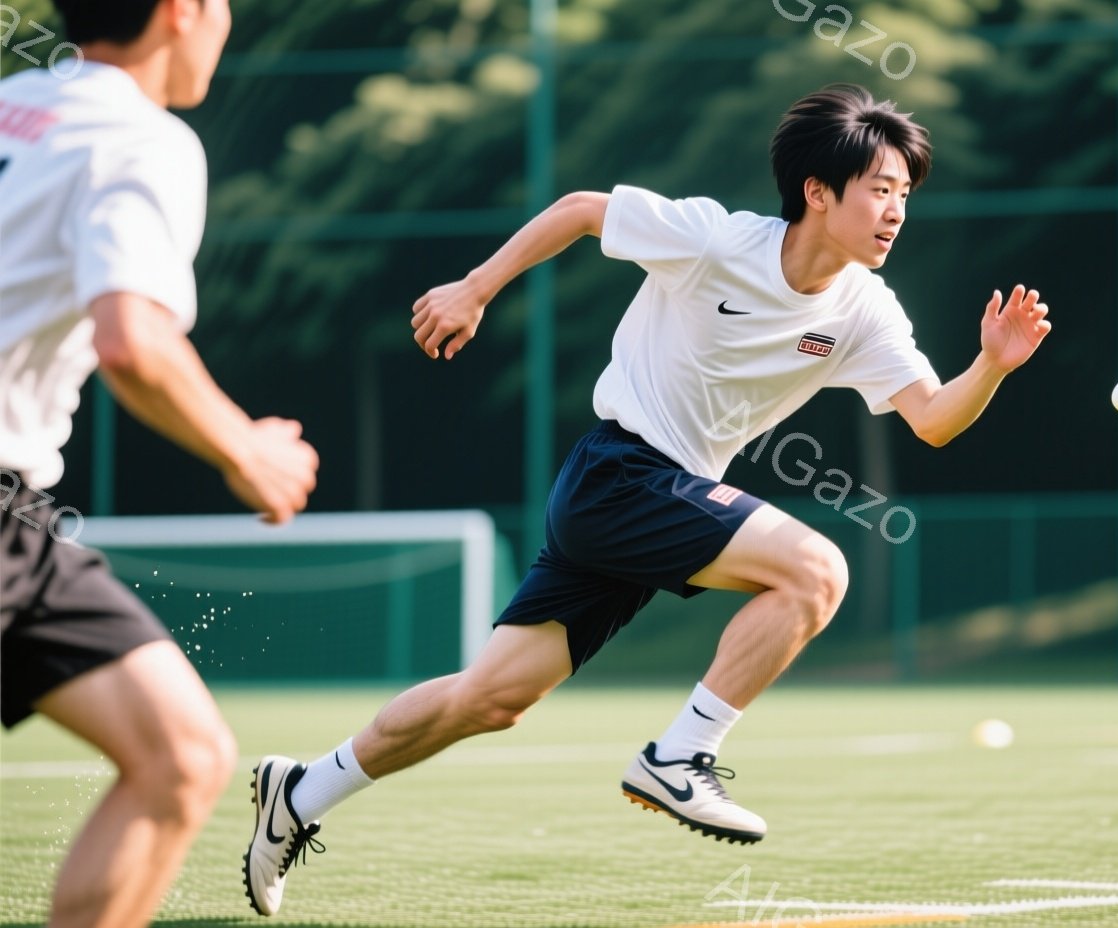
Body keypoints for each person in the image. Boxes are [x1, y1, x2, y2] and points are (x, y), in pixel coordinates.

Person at [241, 82, 1050, 916]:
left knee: (490, 699)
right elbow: (584, 209)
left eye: (904, 195)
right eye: (880, 189)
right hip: (619, 473)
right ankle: (681, 756)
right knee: (817, 571)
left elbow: (933, 421)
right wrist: (476, 287)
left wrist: (991, 364)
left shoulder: (865, 311)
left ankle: (299, 794)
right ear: (818, 192)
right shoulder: (717, 240)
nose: (895, 211)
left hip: (648, 499)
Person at [0, 0, 320, 924]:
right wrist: (245, 449)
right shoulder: (143, 139)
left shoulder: (19, 102)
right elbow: (133, 340)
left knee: (182, 758)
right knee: (178, 761)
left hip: (20, 523)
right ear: (183, 11)